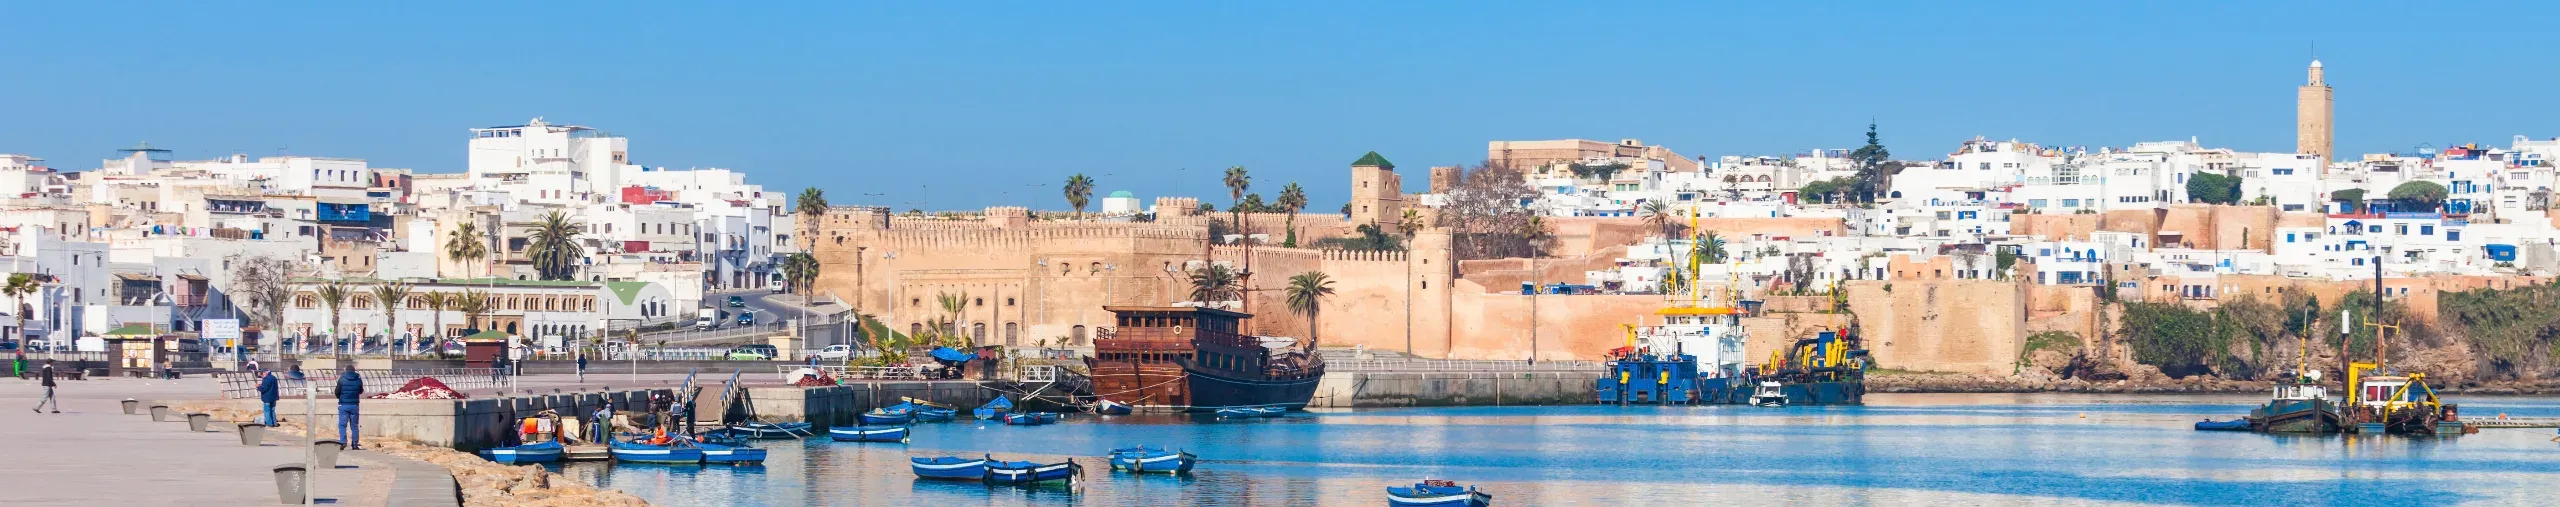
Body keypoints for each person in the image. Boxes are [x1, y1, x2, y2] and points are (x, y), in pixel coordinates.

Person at [334, 369, 365, 450]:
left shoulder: (342, 379)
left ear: (346, 371)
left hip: (343, 405)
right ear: (354, 371)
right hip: (354, 405)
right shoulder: (358, 379)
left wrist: (340, 397)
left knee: (342, 425)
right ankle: (354, 444)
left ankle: (343, 442)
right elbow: (361, 391)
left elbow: (337, 392)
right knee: (354, 426)